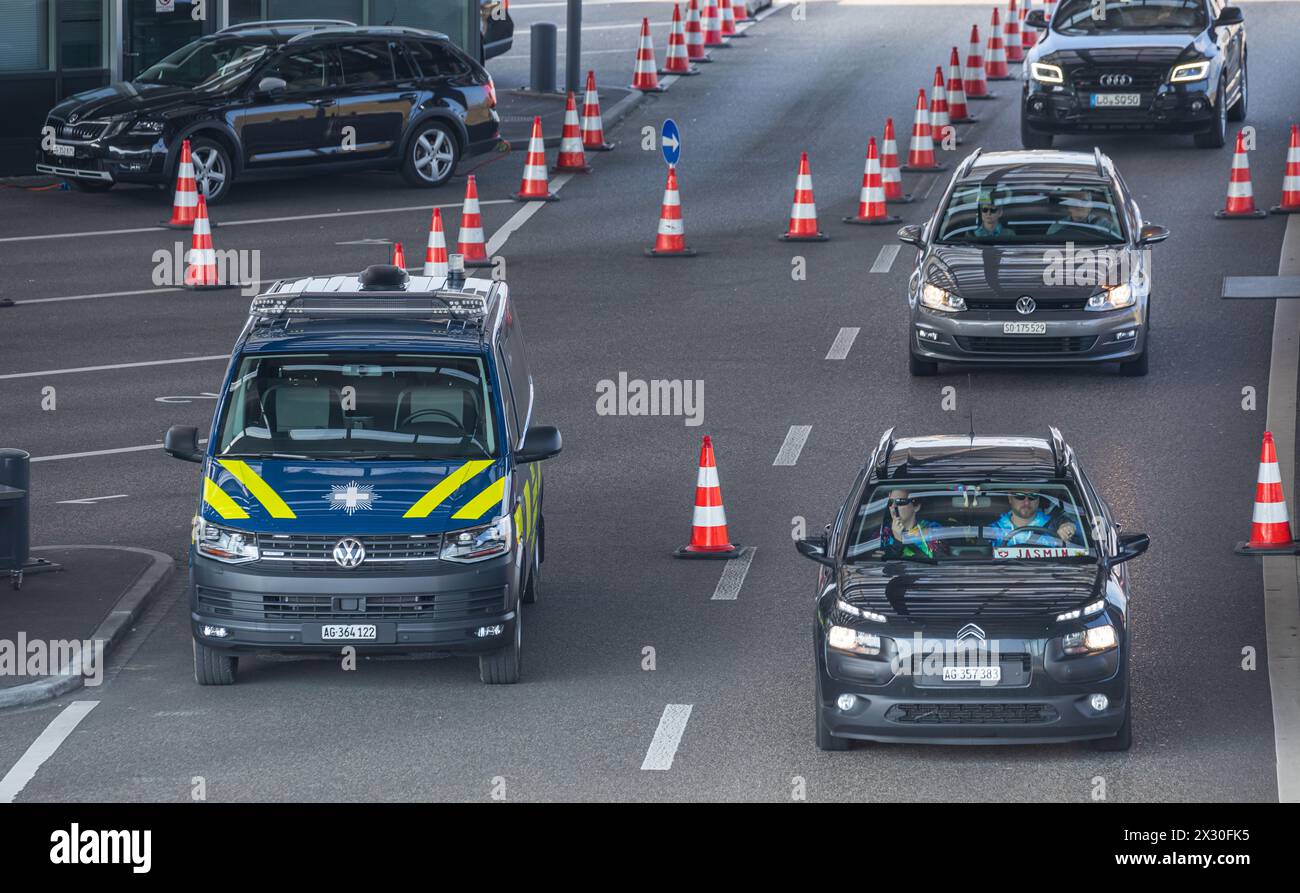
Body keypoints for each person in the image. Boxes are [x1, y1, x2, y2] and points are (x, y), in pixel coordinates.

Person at [988, 491, 1078, 547]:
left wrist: (1068, 527)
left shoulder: (1053, 524)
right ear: (1010, 499)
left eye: (1032, 496)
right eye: (1020, 496)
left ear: (1038, 499)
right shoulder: (993, 529)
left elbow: (1069, 525)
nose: (1026, 502)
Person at [879, 489, 948, 559]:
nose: (893, 506)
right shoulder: (883, 532)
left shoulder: (932, 531)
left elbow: (939, 563)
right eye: (890, 502)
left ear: (916, 507)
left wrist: (900, 540)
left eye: (900, 502)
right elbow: (876, 562)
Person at [1046, 188, 1119, 238]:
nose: (1079, 205)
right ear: (1068, 206)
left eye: (1084, 201)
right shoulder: (1057, 226)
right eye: (1074, 201)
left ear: (1090, 206)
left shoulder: (1105, 225)